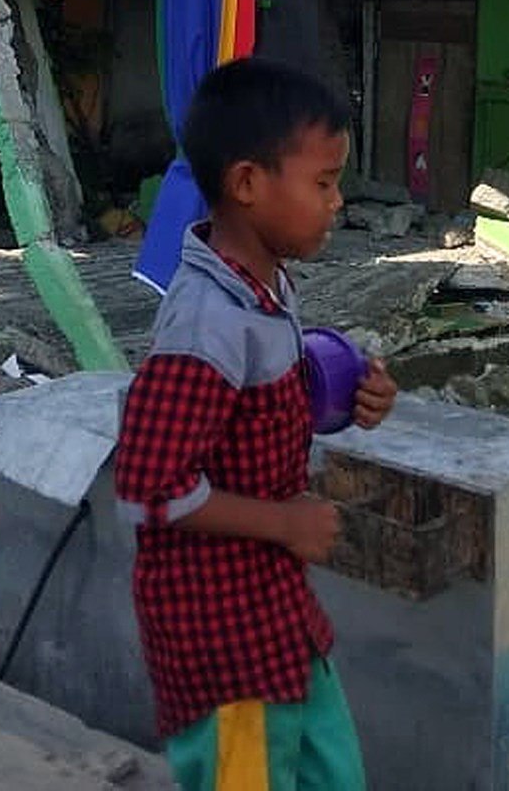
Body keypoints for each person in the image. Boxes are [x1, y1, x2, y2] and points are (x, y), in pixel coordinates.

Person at [114, 56, 398, 791]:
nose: (337, 202)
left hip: (275, 617)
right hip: (222, 637)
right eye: (324, 182)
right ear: (247, 184)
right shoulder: (205, 324)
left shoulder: (265, 287)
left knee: (332, 770)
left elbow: (271, 401)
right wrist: (285, 525)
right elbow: (148, 490)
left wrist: (351, 399)